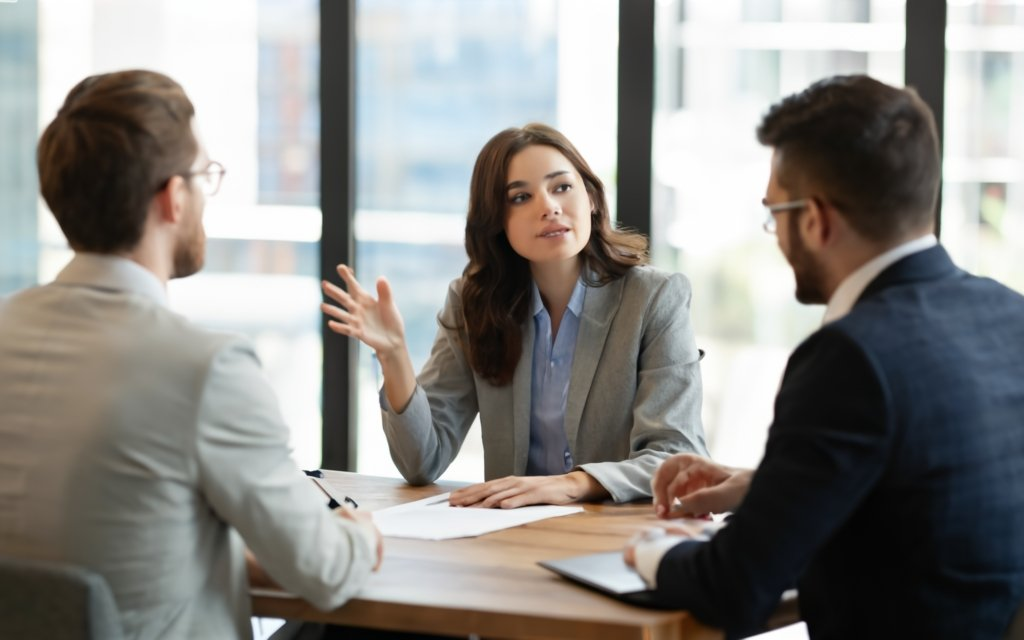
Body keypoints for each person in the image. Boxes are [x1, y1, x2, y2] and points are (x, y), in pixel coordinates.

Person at [624, 74, 1024, 639]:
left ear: (815, 220)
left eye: (775, 214)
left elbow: (734, 587)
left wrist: (652, 551)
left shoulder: (850, 356)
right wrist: (770, 486)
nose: (777, 234)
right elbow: (938, 488)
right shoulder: (1008, 313)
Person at [0, 70, 381, 639]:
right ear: (173, 198)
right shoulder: (205, 367)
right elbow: (325, 569)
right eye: (204, 176)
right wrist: (358, 533)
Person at [322, 123, 707, 507]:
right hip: (511, 537)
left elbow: (676, 454)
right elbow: (421, 461)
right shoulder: (473, 303)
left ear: (590, 197)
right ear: (497, 223)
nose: (549, 207)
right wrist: (393, 357)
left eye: (562, 187)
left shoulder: (655, 298)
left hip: (615, 539)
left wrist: (575, 483)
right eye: (521, 197)